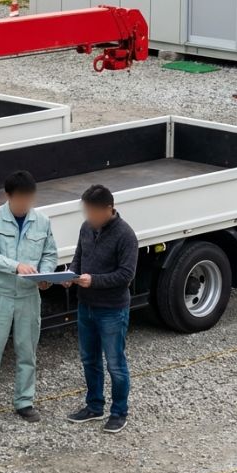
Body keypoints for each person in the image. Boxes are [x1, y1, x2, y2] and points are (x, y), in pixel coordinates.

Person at [0, 170, 58, 426]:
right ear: (8, 196)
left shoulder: (42, 221)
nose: (25, 204)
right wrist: (17, 266)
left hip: (29, 296)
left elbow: (50, 254)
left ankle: (24, 402)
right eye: (20, 198)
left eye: (28, 198)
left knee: (27, 350)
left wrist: (46, 275)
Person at [64, 184, 138, 433]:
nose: (89, 217)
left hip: (112, 310)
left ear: (109, 209)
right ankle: (94, 406)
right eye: (86, 211)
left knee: (115, 363)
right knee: (89, 359)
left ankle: (119, 412)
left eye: (93, 212)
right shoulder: (86, 228)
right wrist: (70, 274)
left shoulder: (126, 235)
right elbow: (79, 256)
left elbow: (126, 275)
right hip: (86, 306)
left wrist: (94, 280)